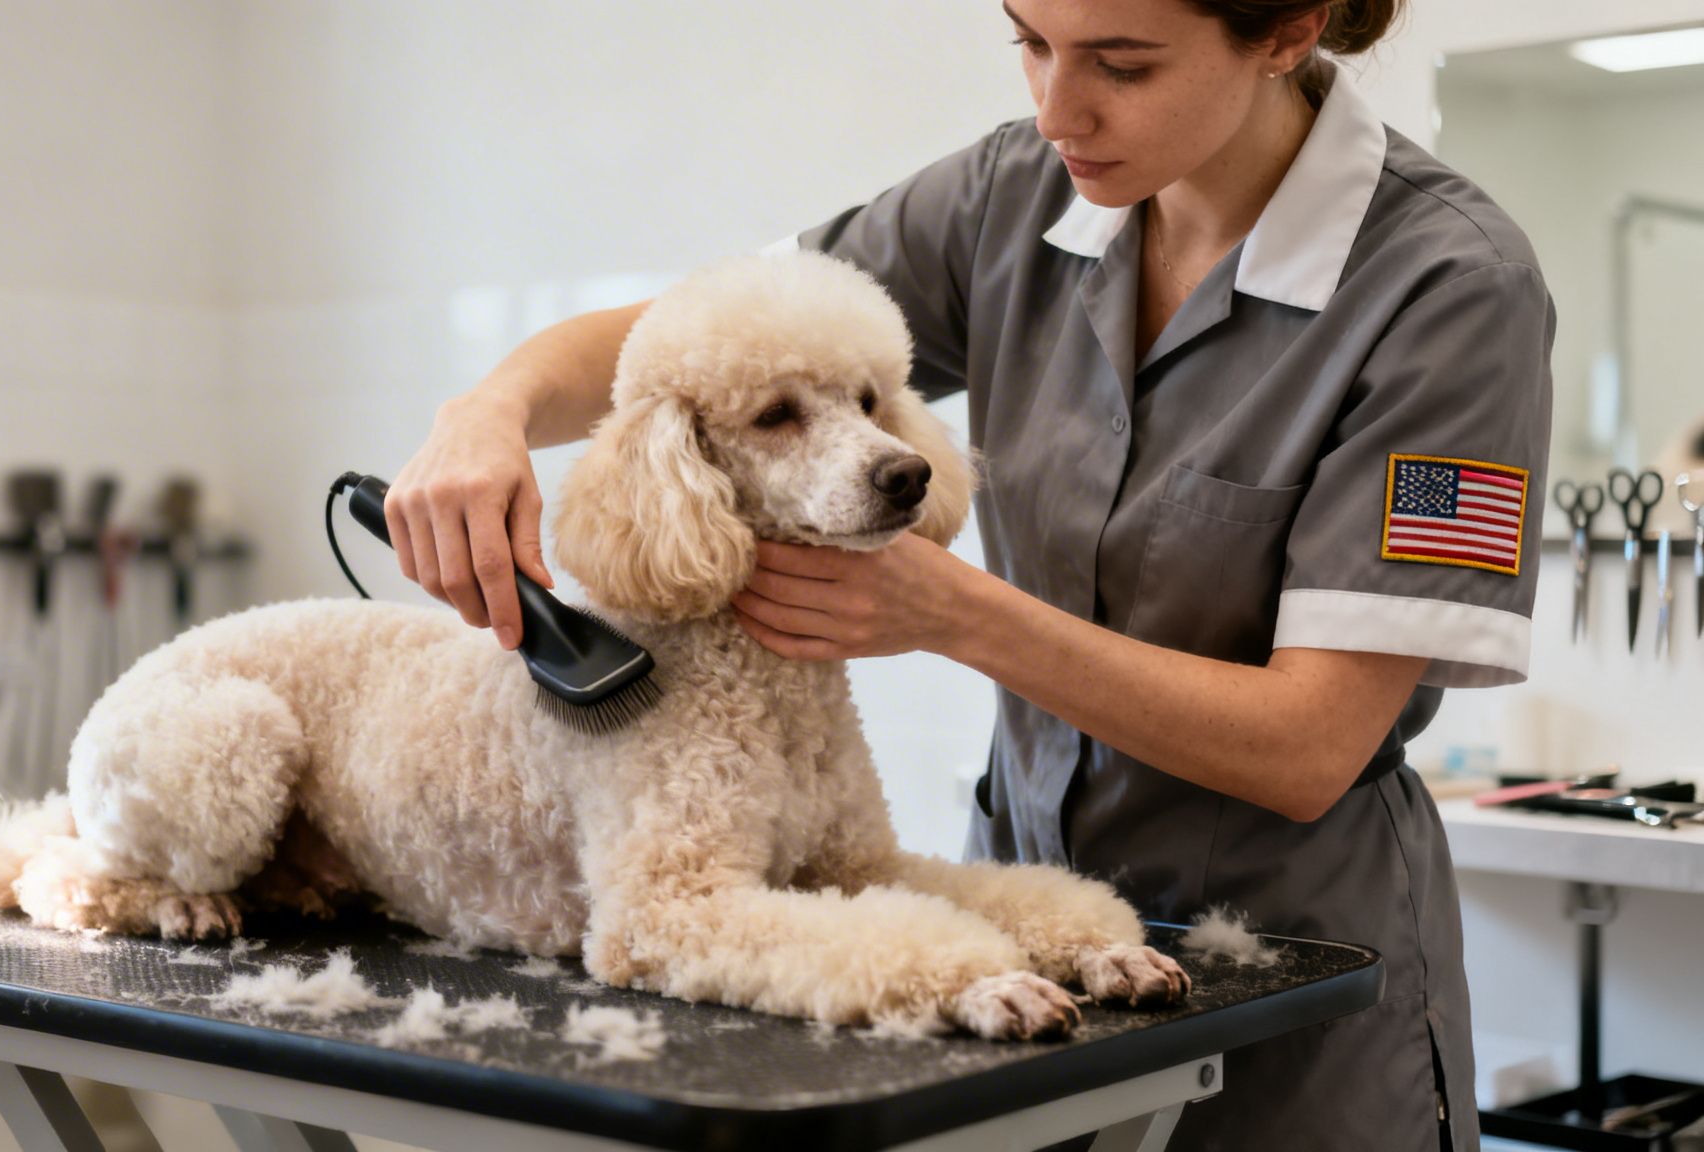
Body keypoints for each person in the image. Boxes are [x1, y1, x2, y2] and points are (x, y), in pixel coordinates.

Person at [385, 1, 1554, 1147]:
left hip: (1295, 970)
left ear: (1288, 31)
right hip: (1018, 947)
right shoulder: (1010, 198)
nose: (1055, 109)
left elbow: (1309, 748)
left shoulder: (1447, 290)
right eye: (1029, 43)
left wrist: (955, 616)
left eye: (1121, 63)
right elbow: (699, 332)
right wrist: (490, 409)